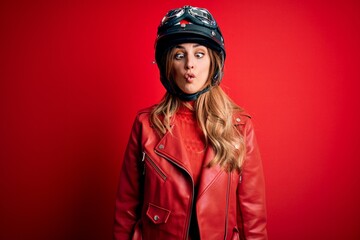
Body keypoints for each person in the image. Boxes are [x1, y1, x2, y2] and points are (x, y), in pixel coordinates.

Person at [113, 5, 268, 240]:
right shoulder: (145, 125)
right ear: (168, 66)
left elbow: (253, 217)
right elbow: (126, 210)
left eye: (199, 54)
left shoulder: (239, 127)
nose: (189, 65)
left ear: (212, 62)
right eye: (179, 55)